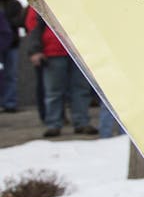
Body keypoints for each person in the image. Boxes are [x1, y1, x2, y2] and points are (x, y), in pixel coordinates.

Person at [27, 7, 94, 136]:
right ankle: (54, 124)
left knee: (80, 89)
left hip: (77, 51)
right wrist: (35, 50)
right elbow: (34, 28)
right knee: (54, 91)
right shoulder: (40, 3)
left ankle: (81, 122)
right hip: (53, 52)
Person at [0, 0, 24, 113]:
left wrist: (5, 23)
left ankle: (10, 102)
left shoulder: (13, 3)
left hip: (11, 43)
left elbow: (20, 20)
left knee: (10, 74)